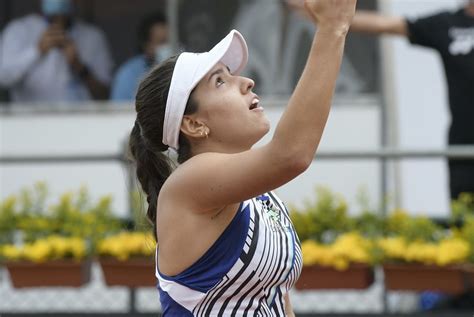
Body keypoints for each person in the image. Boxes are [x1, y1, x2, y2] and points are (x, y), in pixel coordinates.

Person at [128, 0, 356, 315]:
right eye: (220, 81)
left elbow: (278, 301)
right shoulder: (187, 183)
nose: (245, 81)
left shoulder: (262, 195)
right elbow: (291, 155)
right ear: (193, 124)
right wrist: (332, 28)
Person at [348, 1, 474, 199]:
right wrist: (331, 18)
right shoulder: (448, 24)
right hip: (463, 150)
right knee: (464, 220)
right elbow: (386, 25)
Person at [0, 0, 113, 102]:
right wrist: (37, 51)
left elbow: (105, 95)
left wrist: (78, 66)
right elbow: (3, 78)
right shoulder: (19, 30)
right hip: (30, 120)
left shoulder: (92, 36)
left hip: (81, 120)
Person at [111, 12, 171, 101]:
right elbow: (117, 112)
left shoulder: (185, 69)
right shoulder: (128, 74)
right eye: (162, 42)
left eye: (171, 41)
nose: (169, 47)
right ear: (146, 46)